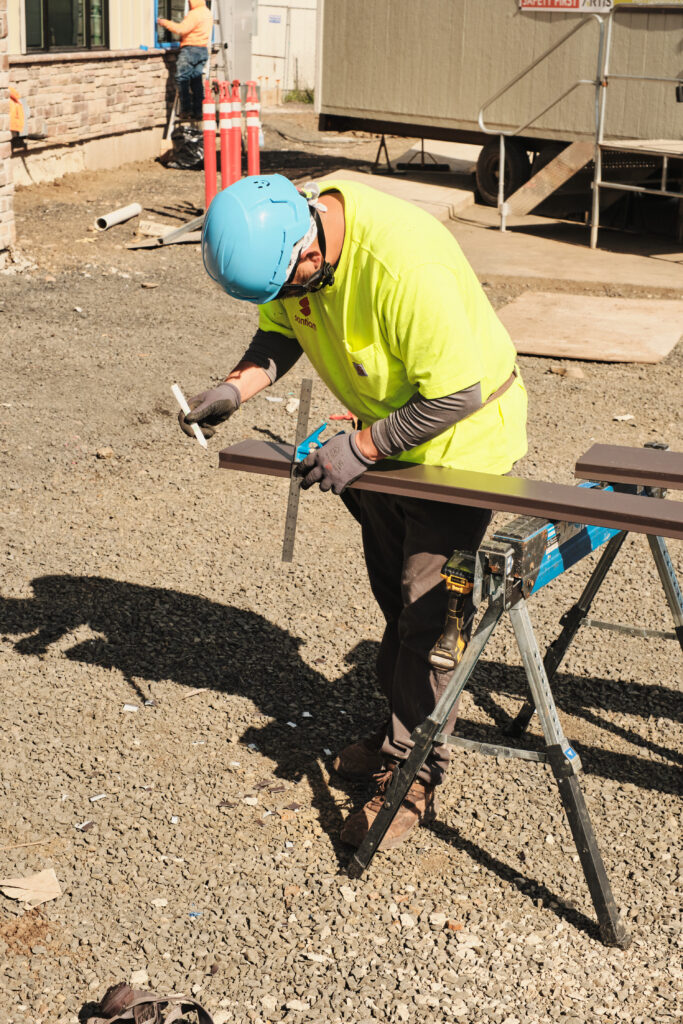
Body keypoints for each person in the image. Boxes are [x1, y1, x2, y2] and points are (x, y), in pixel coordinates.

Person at [180, 174, 528, 850]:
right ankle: (401, 726)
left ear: (309, 256)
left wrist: (361, 447)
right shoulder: (294, 245)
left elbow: (457, 393)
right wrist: (231, 390)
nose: (283, 302)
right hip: (381, 446)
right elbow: (278, 334)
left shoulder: (404, 264)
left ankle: (413, 770)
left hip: (458, 452)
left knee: (432, 622)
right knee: (397, 607)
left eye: (286, 288)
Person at [157, 0, 213, 122]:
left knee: (182, 78)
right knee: (196, 81)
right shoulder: (207, 12)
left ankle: (186, 110)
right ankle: (198, 111)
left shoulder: (195, 14)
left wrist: (164, 22)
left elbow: (182, 29)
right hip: (202, 50)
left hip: (190, 50)